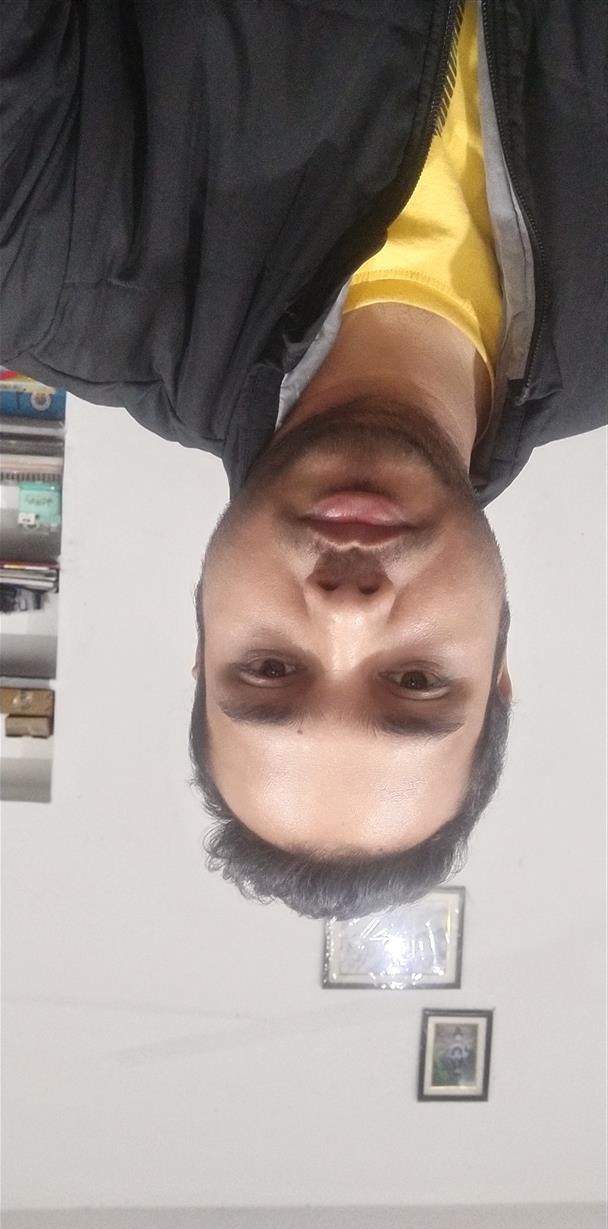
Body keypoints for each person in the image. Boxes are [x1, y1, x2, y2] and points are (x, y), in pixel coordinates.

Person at [1, 2, 605, 917]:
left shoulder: (44, 265)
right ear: (498, 665)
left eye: (270, 668)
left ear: (204, 639)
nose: (346, 611)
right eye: (416, 682)